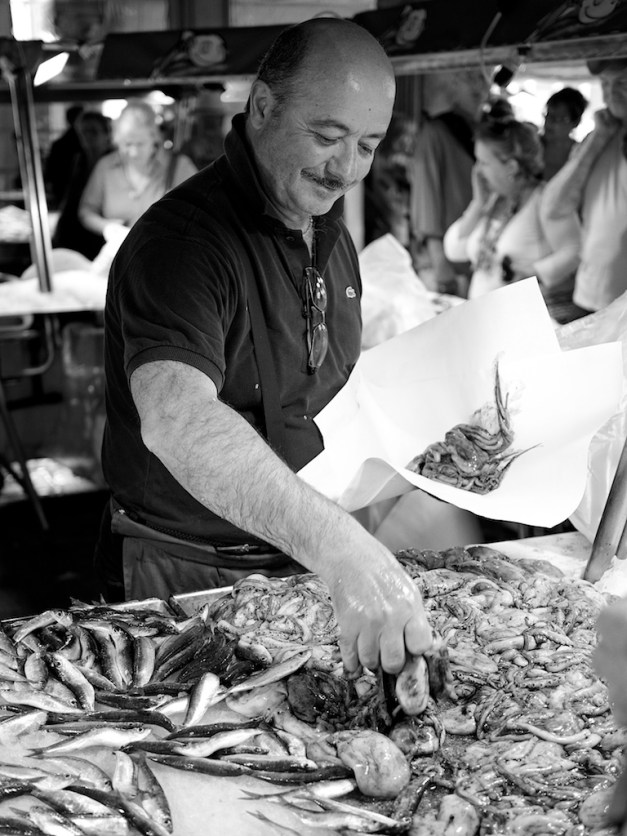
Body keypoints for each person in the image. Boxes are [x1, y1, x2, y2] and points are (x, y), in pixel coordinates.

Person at [94, 17, 432, 676]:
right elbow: (177, 419)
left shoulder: (327, 232)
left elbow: (328, 391)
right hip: (186, 572)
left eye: (367, 145)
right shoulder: (183, 245)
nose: (346, 168)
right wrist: (341, 548)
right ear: (263, 106)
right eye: (326, 136)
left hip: (300, 561)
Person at [443, 106, 583, 323]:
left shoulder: (545, 200)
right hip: (483, 322)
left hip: (520, 324)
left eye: (484, 162)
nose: (477, 170)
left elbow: (574, 250)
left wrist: (534, 273)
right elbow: (454, 250)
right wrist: (477, 204)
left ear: (511, 166)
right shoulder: (494, 199)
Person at [541, 58, 627, 315]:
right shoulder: (598, 138)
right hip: (590, 291)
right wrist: (598, 138)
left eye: (622, 82)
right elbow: (555, 206)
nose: (610, 93)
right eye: (605, 84)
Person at [408, 68, 490, 296]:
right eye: (470, 77)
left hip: (477, 257)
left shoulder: (483, 131)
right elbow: (426, 198)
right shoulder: (435, 132)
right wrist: (440, 263)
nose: (479, 86)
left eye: (483, 77)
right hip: (446, 262)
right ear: (454, 84)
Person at [78, 99, 197, 251]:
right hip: (119, 257)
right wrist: (107, 228)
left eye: (140, 144)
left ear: (154, 138)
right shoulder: (106, 166)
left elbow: (202, 214)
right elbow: (86, 211)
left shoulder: (180, 167)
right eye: (127, 144)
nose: (133, 152)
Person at [52, 111, 113, 259]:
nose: (88, 137)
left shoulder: (112, 163)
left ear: (106, 134)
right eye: (84, 132)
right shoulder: (78, 161)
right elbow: (69, 199)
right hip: (75, 234)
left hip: (103, 232)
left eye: (93, 131)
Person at [541, 86, 589, 181]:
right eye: (548, 115)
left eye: (558, 118)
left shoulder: (579, 155)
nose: (550, 122)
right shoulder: (531, 147)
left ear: (575, 122)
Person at [44, 104, 84, 210]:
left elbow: (50, 171)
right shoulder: (80, 143)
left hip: (62, 189)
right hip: (71, 190)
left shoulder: (59, 144)